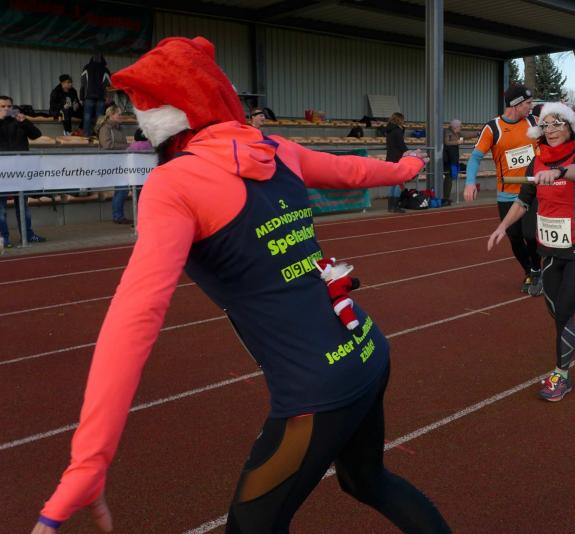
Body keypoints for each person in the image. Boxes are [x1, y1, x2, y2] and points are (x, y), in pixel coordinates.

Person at [30, 36, 449, 534]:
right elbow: (352, 171)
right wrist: (406, 168)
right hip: (366, 348)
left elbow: (134, 319)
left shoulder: (174, 184)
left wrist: (88, 462)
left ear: (159, 120)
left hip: (315, 387)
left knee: (251, 527)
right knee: (367, 480)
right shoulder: (275, 148)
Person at [486, 102, 575, 402]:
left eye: (558, 123)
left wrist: (557, 171)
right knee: (554, 311)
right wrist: (502, 227)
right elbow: (522, 202)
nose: (552, 129)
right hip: (549, 249)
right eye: (546, 124)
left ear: (570, 127)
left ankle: (561, 375)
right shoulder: (535, 161)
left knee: (563, 313)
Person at [463, 85, 542, 295]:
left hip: (532, 190)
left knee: (530, 234)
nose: (531, 106)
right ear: (515, 104)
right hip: (507, 193)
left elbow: (560, 134)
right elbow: (475, 157)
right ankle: (530, 271)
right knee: (514, 237)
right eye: (528, 103)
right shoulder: (493, 128)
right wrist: (470, 182)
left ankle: (537, 270)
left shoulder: (534, 122)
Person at [0, 95, 47, 246]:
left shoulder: (18, 119)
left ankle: (28, 235)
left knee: (22, 206)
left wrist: (25, 121)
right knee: (1, 208)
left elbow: (36, 135)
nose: (6, 109)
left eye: (9, 106)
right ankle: (4, 239)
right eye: (2, 106)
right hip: (2, 171)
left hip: (20, 169)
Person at [96, 105, 132, 225]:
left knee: (122, 189)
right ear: (111, 115)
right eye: (119, 114)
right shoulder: (105, 128)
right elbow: (107, 145)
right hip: (112, 162)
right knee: (122, 189)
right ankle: (118, 215)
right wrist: (127, 147)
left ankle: (118, 215)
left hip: (120, 161)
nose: (121, 116)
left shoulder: (118, 128)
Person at [80, 52, 111, 135]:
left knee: (87, 116)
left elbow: (83, 83)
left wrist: (81, 97)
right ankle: (99, 135)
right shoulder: (105, 69)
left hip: (88, 96)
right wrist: (107, 96)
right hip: (101, 97)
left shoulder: (86, 68)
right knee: (99, 117)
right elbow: (108, 85)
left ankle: (86, 134)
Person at [385, 112, 409, 213]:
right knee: (399, 183)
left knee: (392, 183)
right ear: (400, 120)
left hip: (389, 158)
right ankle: (395, 206)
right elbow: (401, 145)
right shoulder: (397, 131)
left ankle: (390, 206)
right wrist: (409, 152)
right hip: (397, 159)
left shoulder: (389, 130)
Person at [442, 119, 463, 206]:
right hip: (448, 159)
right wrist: (457, 142)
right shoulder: (447, 132)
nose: (461, 128)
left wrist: (477, 133)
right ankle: (445, 198)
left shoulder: (456, 133)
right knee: (449, 177)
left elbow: (465, 135)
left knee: (450, 177)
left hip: (452, 159)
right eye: (460, 126)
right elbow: (447, 142)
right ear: (455, 127)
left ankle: (446, 197)